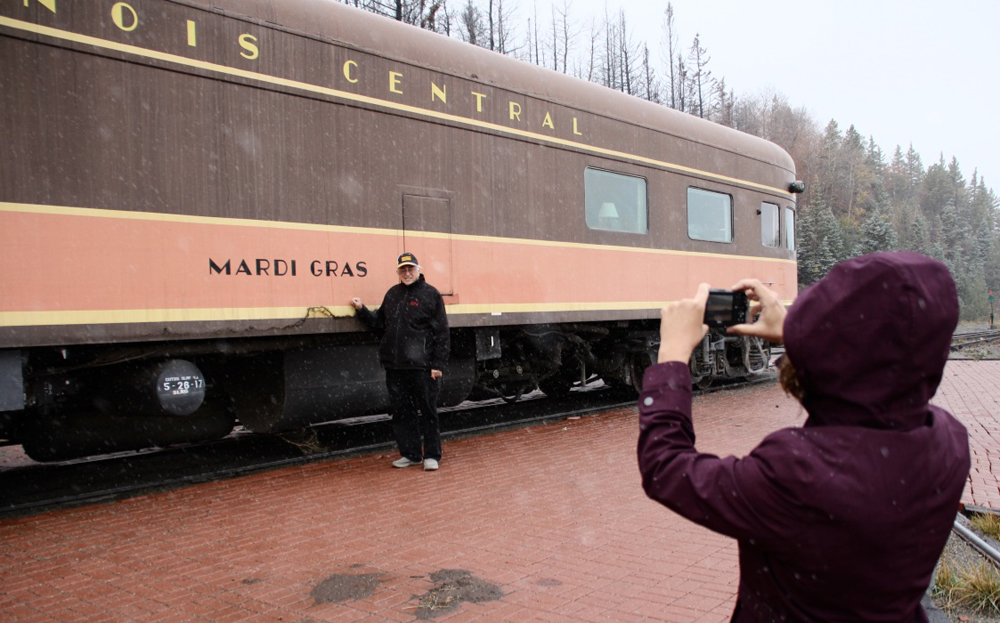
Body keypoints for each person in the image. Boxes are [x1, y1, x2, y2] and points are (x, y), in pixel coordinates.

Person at [637, 252, 971, 621]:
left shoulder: (801, 471)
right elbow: (882, 365)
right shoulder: (949, 441)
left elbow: (666, 468)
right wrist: (801, 330)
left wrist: (671, 358)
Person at [351, 253, 450, 471]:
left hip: (422, 367)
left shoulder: (431, 294)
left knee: (428, 411)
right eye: (402, 270)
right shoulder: (392, 294)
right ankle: (411, 454)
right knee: (402, 412)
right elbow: (379, 323)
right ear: (398, 272)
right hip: (395, 367)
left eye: (410, 269)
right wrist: (362, 310)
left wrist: (438, 365)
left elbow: (442, 333)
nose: (407, 273)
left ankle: (432, 456)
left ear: (418, 270)